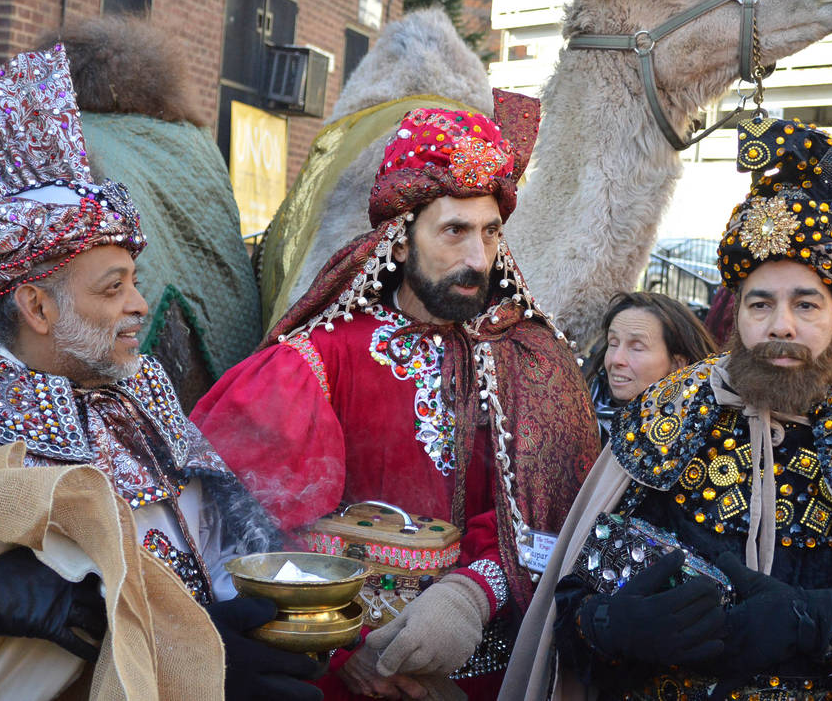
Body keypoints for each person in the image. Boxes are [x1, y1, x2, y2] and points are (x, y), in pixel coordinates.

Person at [501, 118, 832, 701]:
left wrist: (819, 619)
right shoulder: (669, 413)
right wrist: (610, 625)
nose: (781, 324)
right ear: (736, 314)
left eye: (807, 304)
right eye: (761, 303)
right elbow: (579, 586)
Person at [0, 47, 324, 699]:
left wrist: (272, 604)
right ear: (35, 306)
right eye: (113, 288)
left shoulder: (142, 383)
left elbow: (220, 518)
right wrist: (187, 661)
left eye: (134, 281)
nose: (140, 305)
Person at [192, 98, 600, 699]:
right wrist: (342, 643)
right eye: (454, 231)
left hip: (487, 670)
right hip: (340, 676)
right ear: (401, 241)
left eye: (490, 232)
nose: (476, 258)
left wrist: (469, 597)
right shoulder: (319, 359)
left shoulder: (528, 358)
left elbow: (553, 513)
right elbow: (240, 528)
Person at [592, 292, 717, 441]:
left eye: (637, 348)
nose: (616, 359)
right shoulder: (576, 409)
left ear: (678, 364)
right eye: (613, 343)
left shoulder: (697, 439)